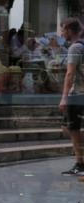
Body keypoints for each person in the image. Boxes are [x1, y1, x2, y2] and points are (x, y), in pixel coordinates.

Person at [59, 17, 84, 175]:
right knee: (69, 127)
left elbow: (70, 74)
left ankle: (80, 163)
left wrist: (64, 97)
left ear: (69, 30)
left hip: (77, 94)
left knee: (72, 128)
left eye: (63, 29)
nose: (61, 33)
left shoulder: (74, 48)